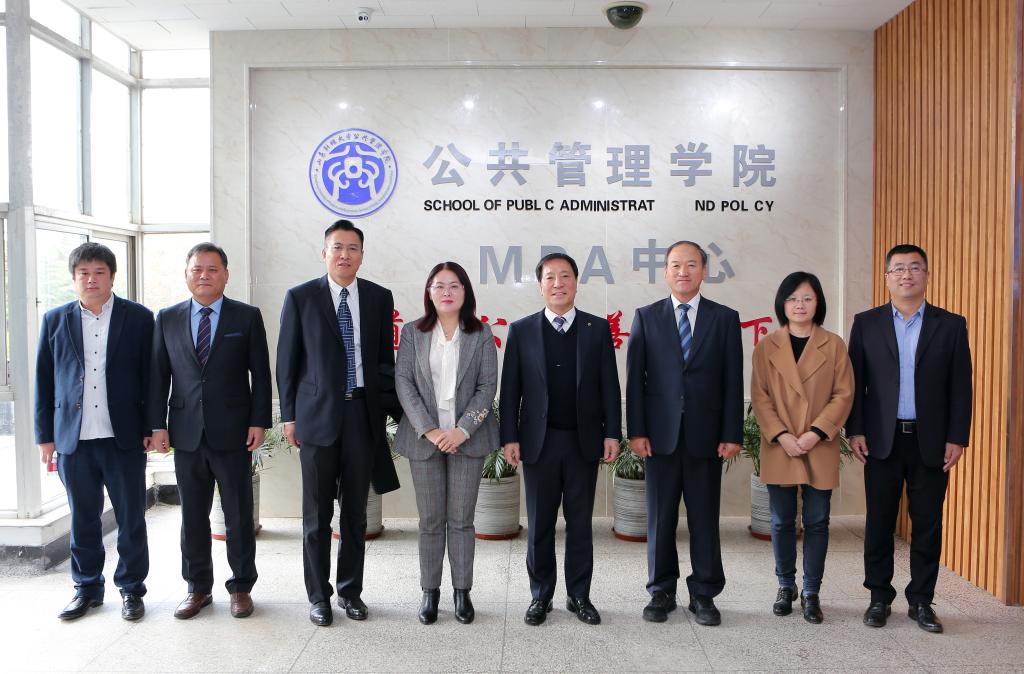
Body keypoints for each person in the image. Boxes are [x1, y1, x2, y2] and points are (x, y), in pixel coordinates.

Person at [277, 219, 402, 627]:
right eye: (337, 247)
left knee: (355, 514)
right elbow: (287, 362)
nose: (344, 254)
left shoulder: (379, 297)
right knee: (316, 516)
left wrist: (388, 411)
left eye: (352, 248)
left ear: (362, 255)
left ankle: (351, 591)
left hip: (362, 416)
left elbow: (384, 362)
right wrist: (290, 416)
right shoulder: (300, 297)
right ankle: (318, 596)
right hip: (315, 419)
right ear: (324, 253)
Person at [847, 244, 972, 634]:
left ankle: (921, 601)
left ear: (927, 275)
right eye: (898, 268)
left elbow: (961, 386)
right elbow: (855, 383)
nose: (907, 274)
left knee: (928, 524)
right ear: (887, 277)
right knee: (879, 522)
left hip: (930, 440)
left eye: (915, 267)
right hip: (881, 440)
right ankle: (878, 597)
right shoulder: (866, 323)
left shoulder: (950, 325)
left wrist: (957, 437)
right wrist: (856, 429)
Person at [148, 243, 272, 620]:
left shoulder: (246, 317)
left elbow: (261, 374)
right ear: (187, 274)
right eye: (197, 269)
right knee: (192, 516)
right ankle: (197, 587)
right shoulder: (167, 318)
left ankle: (241, 587)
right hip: (185, 433)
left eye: (212, 269)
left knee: (238, 514)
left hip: (234, 432)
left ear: (226, 274)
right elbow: (158, 376)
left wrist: (259, 421)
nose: (204, 275)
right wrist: (157, 425)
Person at [500, 252, 621, 627]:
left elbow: (609, 386)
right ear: (540, 285)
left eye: (565, 276)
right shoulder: (521, 330)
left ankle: (579, 595)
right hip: (539, 443)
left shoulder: (596, 329)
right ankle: (541, 596)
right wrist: (510, 437)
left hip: (583, 442)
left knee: (580, 524)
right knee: (539, 524)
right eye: (550, 277)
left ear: (576, 282)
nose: (558, 284)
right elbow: (510, 391)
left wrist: (612, 432)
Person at [626, 240, 743, 626]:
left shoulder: (724, 318)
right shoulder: (646, 317)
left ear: (704, 270)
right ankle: (661, 591)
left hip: (706, 437)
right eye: (676, 265)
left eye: (691, 264)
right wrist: (636, 431)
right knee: (660, 518)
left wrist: (732, 433)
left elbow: (733, 381)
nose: (683, 272)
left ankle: (704, 593)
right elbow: (635, 380)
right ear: (665, 271)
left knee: (704, 519)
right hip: (659, 438)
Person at [35, 242, 154, 622]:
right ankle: (87, 588)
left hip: (125, 438)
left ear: (112, 277)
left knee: (131, 518)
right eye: (83, 273)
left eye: (99, 272)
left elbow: (151, 377)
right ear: (73, 279)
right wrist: (45, 437)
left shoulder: (139, 318)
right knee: (82, 518)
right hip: (74, 440)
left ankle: (131, 589)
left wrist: (153, 426)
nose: (91, 279)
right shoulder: (54, 320)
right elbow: (44, 380)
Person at [393, 261, 498, 625]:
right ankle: (430, 592)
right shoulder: (413, 332)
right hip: (424, 440)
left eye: (454, 285)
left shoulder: (481, 333)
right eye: (439, 286)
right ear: (429, 292)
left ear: (465, 292)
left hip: (468, 440)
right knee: (430, 520)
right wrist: (430, 429)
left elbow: (487, 386)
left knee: (462, 520)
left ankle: (462, 592)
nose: (447, 292)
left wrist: (462, 430)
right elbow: (404, 383)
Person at [749, 271, 854, 623]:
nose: (799, 305)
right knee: (781, 522)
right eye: (793, 298)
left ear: (818, 303)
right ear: (782, 303)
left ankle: (811, 591)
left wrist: (815, 433)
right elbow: (760, 397)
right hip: (781, 444)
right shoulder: (767, 346)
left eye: (807, 298)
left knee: (817, 521)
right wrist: (782, 435)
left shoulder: (833, 345)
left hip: (818, 443)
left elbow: (843, 394)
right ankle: (785, 585)